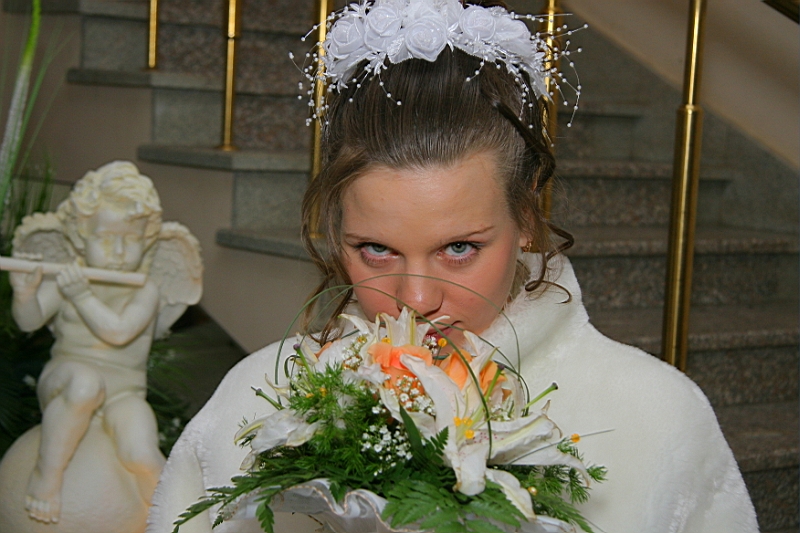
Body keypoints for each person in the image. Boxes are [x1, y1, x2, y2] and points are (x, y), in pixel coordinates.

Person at [146, 1, 759, 532]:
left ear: (526, 218)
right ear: (335, 230)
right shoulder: (255, 397)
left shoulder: (655, 416)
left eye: (459, 248)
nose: (415, 299)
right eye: (376, 249)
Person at [10, 163, 166, 524]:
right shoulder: (70, 277)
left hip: (124, 393)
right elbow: (29, 322)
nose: (118, 251)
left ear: (146, 241)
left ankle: (167, 516)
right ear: (80, 238)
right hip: (66, 382)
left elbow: (119, 332)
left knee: (142, 454)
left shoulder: (145, 289)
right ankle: (47, 475)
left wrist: (82, 296)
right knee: (85, 384)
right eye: (106, 239)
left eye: (130, 240)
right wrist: (25, 295)